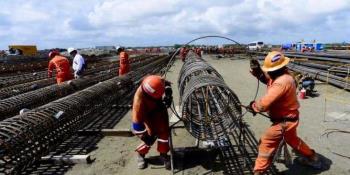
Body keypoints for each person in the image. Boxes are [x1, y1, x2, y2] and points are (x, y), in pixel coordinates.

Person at [248, 51, 322, 175]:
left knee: (266, 143)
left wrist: (253, 106)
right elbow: (269, 80)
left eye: (269, 70)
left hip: (284, 122)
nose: (268, 73)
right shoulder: (284, 75)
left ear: (276, 70)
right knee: (292, 140)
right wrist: (259, 73)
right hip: (291, 118)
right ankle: (312, 157)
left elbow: (264, 105)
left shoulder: (281, 82)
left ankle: (258, 172)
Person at [131, 75, 173, 170]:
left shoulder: (152, 80)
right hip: (148, 114)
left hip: (159, 109)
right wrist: (145, 137)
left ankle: (163, 154)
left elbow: (165, 83)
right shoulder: (139, 102)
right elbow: (137, 125)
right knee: (151, 135)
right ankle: (141, 154)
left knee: (164, 133)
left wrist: (168, 93)